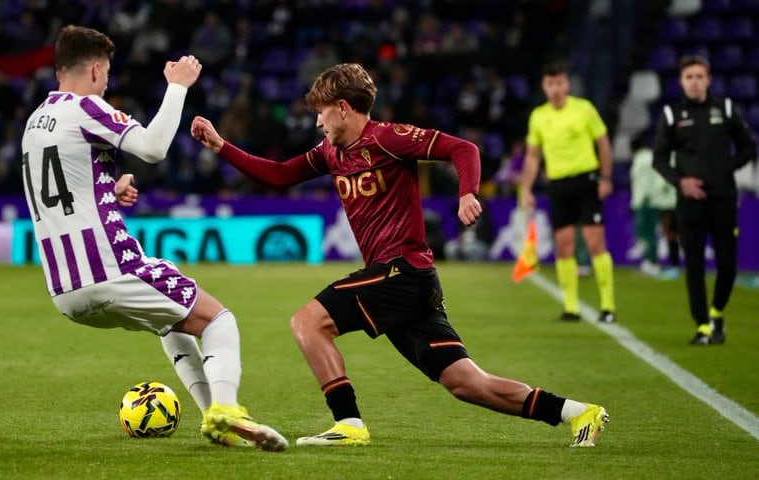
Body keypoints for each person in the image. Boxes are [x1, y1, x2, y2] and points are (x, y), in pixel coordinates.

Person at [191, 62, 608, 448]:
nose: (317, 121)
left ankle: (348, 423)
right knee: (465, 382)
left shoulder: (388, 139)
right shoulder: (330, 152)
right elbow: (279, 175)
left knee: (308, 322)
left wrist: (467, 193)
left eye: (321, 112)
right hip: (407, 282)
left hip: (402, 270)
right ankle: (577, 413)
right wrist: (220, 145)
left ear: (342, 107)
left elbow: (464, 150)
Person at [20, 25, 287, 451]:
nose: (106, 83)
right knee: (219, 320)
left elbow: (61, 190)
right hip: (108, 268)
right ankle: (225, 409)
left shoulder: (35, 122)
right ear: (93, 69)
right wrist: (177, 87)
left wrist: (110, 186)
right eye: (106, 73)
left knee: (171, 318)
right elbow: (153, 146)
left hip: (63, 288)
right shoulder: (86, 107)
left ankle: (214, 421)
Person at [652, 54, 757, 345]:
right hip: (689, 204)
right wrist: (681, 181)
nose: (695, 82)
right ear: (681, 82)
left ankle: (717, 311)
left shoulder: (724, 108)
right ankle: (702, 326)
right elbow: (659, 159)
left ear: (708, 79)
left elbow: (748, 146)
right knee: (695, 266)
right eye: (689, 77)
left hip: (723, 199)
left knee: (728, 265)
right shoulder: (672, 115)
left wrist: (728, 169)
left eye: (700, 76)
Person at [519, 61, 616, 323]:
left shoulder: (584, 109)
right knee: (564, 246)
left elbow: (603, 143)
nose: (555, 89)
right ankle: (571, 307)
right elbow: (532, 156)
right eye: (550, 84)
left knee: (595, 242)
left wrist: (606, 177)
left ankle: (607, 306)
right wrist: (526, 188)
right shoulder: (539, 115)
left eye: (559, 82)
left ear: (567, 84)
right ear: (544, 86)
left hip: (587, 181)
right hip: (559, 186)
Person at [629, 133, 679, 278]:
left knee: (647, 233)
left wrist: (646, 197)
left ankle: (652, 262)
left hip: (647, 201)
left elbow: (647, 182)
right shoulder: (650, 157)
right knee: (649, 233)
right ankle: (650, 262)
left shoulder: (642, 160)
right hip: (651, 200)